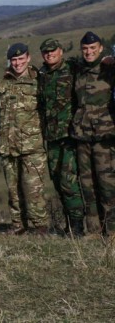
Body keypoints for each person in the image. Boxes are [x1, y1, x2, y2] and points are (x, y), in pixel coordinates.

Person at [0, 43, 49, 235]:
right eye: (14, 60)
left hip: (32, 146)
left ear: (28, 58)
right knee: (13, 190)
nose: (17, 63)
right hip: (8, 146)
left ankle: (39, 227)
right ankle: (18, 225)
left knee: (33, 190)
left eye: (20, 59)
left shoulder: (39, 81)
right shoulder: (3, 84)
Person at [37, 38, 85, 237]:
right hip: (52, 137)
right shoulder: (42, 74)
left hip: (69, 136)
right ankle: (68, 225)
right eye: (46, 52)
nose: (50, 54)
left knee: (68, 181)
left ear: (60, 51)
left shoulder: (73, 68)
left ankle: (78, 227)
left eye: (53, 51)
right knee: (57, 180)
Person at [70, 31, 115, 236]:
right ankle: (94, 233)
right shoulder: (79, 70)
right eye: (85, 49)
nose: (88, 52)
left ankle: (112, 233)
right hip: (82, 136)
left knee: (108, 187)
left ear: (101, 48)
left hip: (104, 137)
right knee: (87, 186)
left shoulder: (109, 69)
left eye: (93, 48)